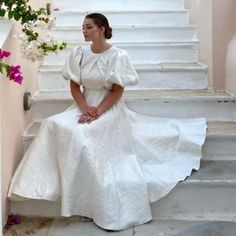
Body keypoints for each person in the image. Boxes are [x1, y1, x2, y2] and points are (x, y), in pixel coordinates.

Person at [8, 13, 207, 231]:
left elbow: (117, 91)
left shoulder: (118, 56)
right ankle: (43, 187)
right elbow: (75, 86)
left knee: (82, 135)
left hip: (109, 107)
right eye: (82, 27)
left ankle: (95, 202)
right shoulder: (79, 53)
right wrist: (84, 108)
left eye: (89, 27)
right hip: (83, 105)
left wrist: (97, 113)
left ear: (102, 28)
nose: (84, 31)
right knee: (52, 124)